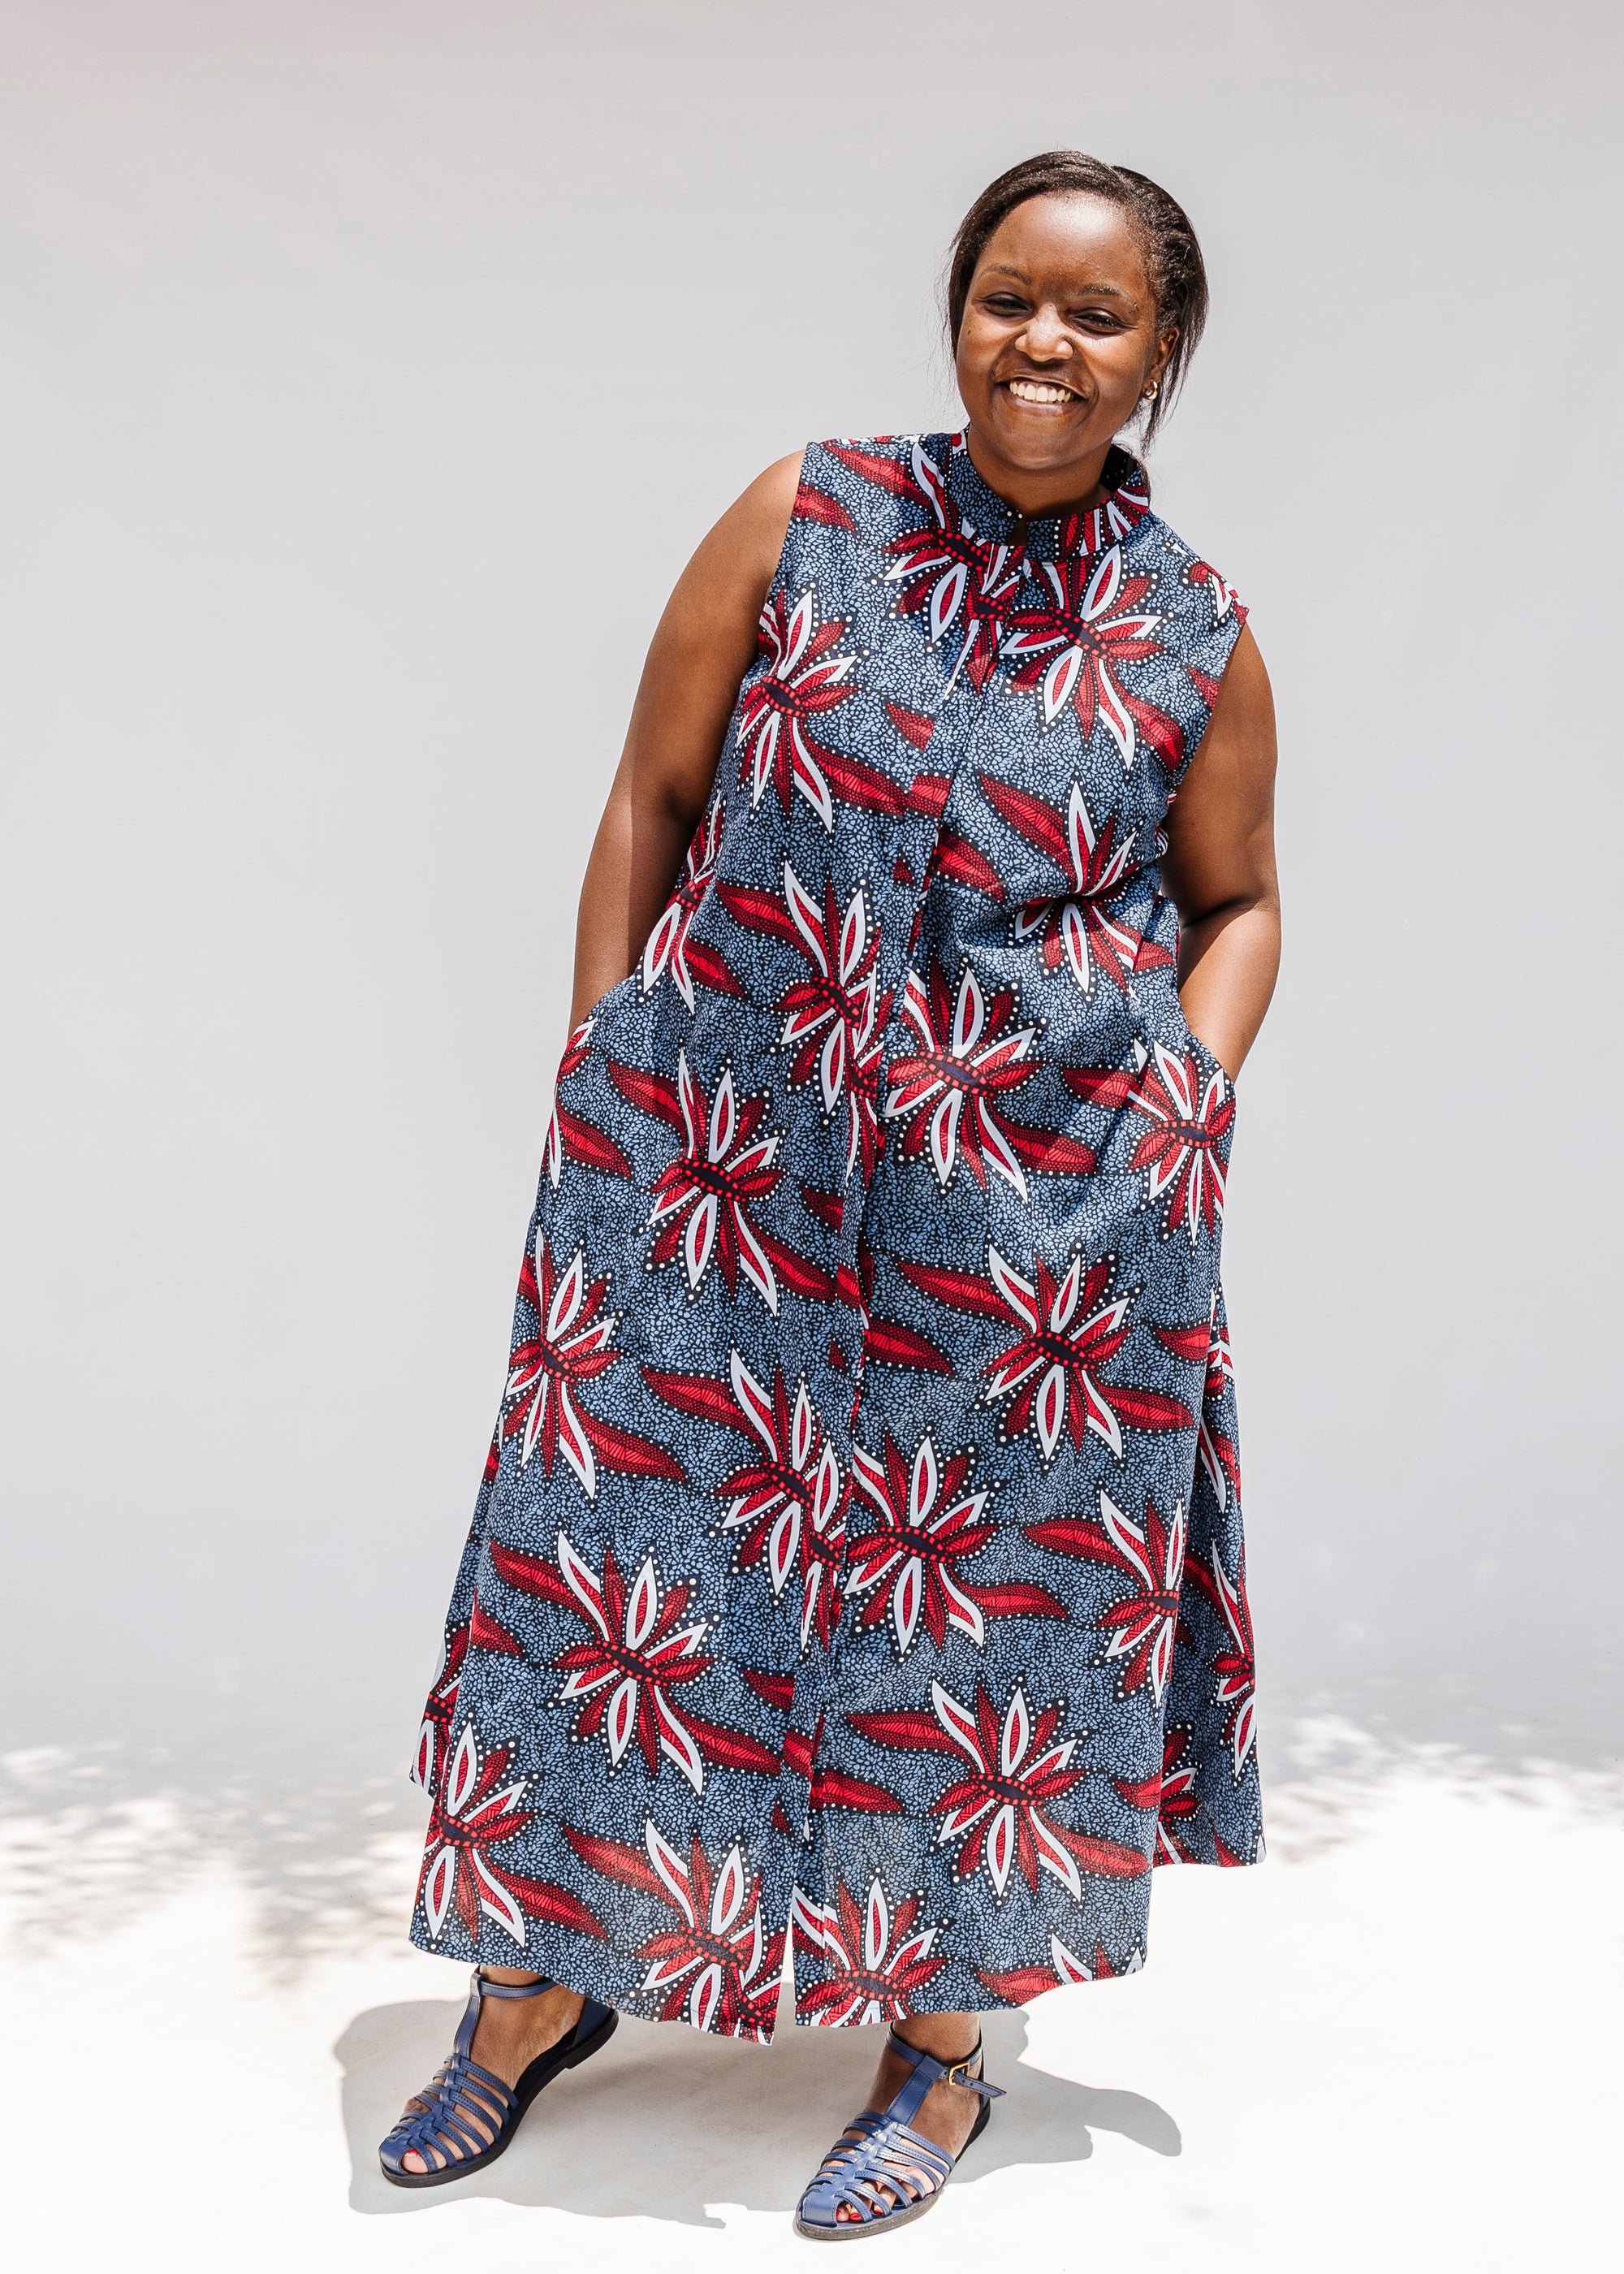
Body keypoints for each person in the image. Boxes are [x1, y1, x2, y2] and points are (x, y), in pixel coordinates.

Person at [380, 149, 1279, 2237]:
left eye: (1095, 314)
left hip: (1032, 1229)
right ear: (957, 310)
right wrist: (603, 1060)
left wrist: (1180, 1107)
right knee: (613, 1556)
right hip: (717, 1166)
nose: (1041, 343)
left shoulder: (1192, 628)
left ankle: (943, 2045)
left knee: (987, 1619)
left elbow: (1238, 901)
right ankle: (534, 1984)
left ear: (1157, 352)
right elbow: (652, 791)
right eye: (1006, 297)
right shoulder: (809, 513)